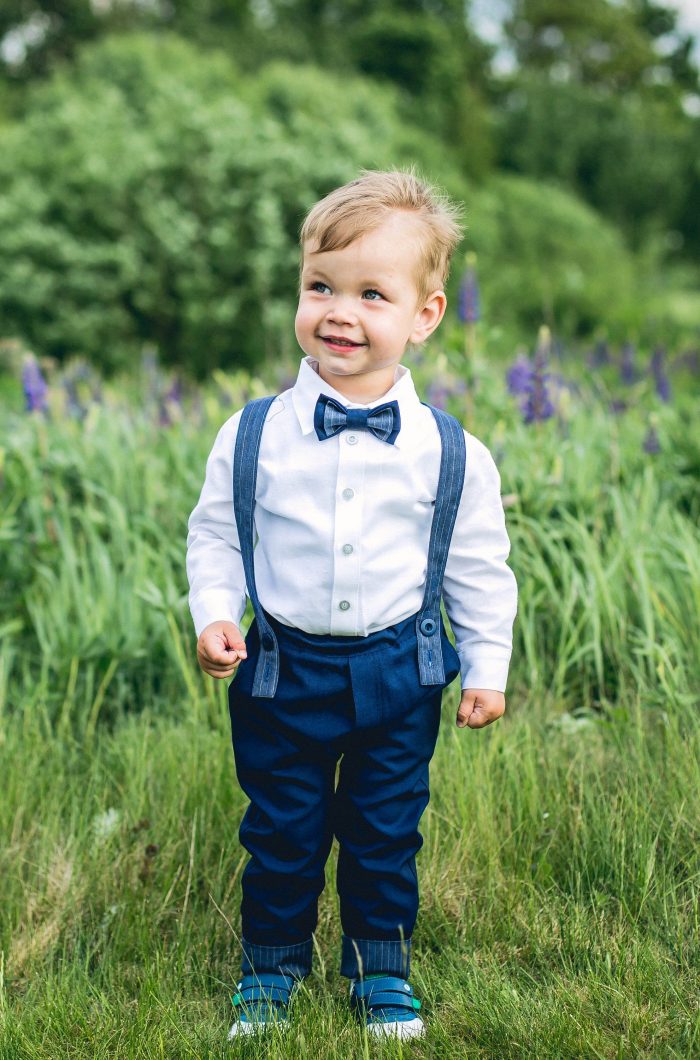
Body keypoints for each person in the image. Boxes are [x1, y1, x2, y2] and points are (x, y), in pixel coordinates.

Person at [186, 170, 518, 1041]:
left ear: (425, 315)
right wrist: (215, 613)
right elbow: (215, 534)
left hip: (398, 673)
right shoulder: (251, 433)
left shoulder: (453, 452)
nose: (339, 311)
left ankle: (381, 974)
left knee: (383, 831)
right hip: (279, 668)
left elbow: (480, 568)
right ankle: (269, 970)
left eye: (372, 293)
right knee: (282, 830)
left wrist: (488, 665)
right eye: (320, 287)